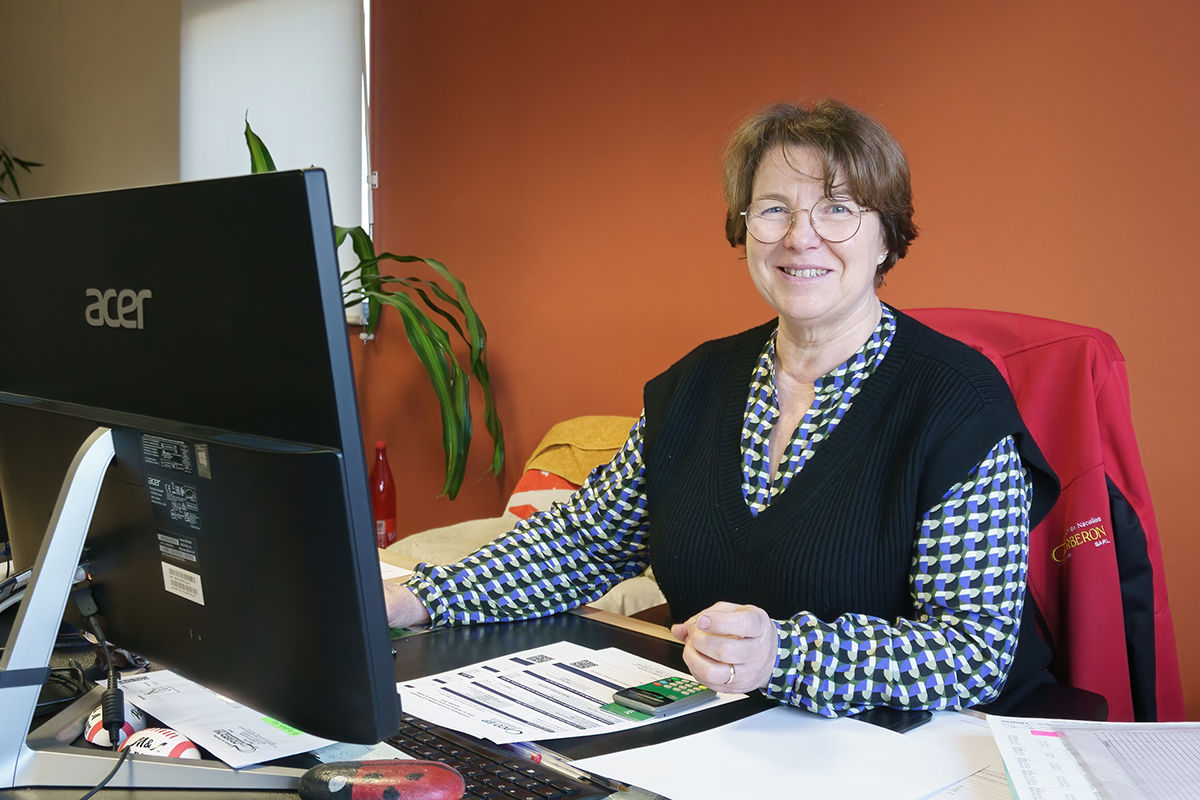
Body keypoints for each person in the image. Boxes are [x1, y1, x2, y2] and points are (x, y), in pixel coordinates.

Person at [384, 99, 1059, 717]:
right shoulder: (696, 384)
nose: (800, 237)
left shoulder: (957, 403)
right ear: (744, 229)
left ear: (886, 236)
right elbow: (584, 544)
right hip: (732, 729)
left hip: (926, 747)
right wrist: (417, 598)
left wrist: (783, 656)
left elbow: (972, 648)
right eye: (774, 209)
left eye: (837, 209)